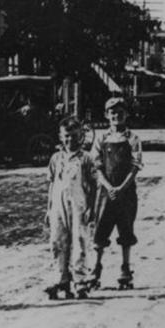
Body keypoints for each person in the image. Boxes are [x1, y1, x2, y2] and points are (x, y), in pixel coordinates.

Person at [91, 97, 144, 290]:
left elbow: (135, 166)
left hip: (126, 192)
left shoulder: (133, 138)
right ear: (106, 115)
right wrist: (108, 187)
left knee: (126, 229)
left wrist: (121, 188)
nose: (116, 116)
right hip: (105, 193)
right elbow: (96, 166)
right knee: (100, 230)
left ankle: (125, 269)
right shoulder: (101, 139)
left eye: (120, 112)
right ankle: (95, 269)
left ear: (126, 115)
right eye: (112, 112)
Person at [45, 117, 98, 300]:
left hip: (79, 204)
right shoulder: (55, 158)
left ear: (81, 136)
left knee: (79, 241)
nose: (70, 140)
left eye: (74, 136)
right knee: (57, 241)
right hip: (58, 205)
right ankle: (61, 280)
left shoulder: (86, 159)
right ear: (61, 137)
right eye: (66, 136)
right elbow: (52, 184)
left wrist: (91, 207)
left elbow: (94, 186)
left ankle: (80, 282)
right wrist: (49, 208)